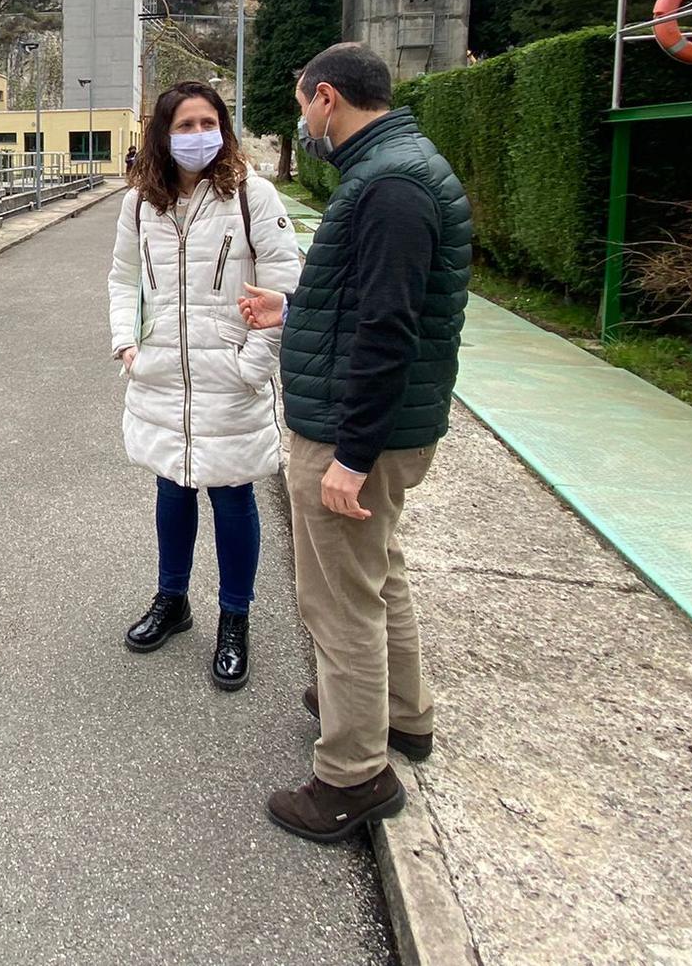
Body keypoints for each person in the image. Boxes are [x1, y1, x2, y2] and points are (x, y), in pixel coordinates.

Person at [237, 43, 471, 842]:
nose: (303, 120)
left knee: (337, 603)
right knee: (379, 576)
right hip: (377, 423)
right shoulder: (396, 169)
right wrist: (292, 311)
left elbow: (386, 328)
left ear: (326, 97)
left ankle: (351, 776)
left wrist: (351, 456)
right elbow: (365, 303)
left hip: (354, 429)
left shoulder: (389, 186)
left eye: (304, 105)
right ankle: (403, 715)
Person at [107, 80, 301, 690]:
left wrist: (256, 362)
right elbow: (122, 278)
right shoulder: (141, 203)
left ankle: (234, 618)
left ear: (224, 128)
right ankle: (173, 600)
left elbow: (284, 286)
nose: (197, 136)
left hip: (229, 375)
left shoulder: (252, 196)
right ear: (162, 136)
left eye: (206, 122)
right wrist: (128, 342)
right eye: (184, 125)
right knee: (172, 489)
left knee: (233, 496)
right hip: (164, 372)